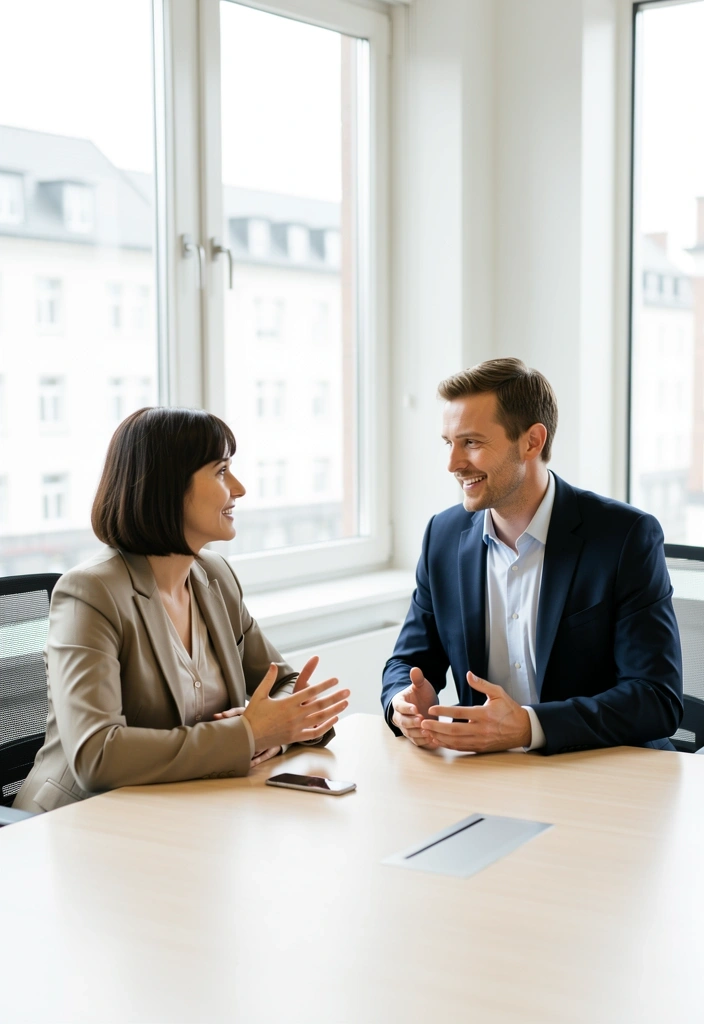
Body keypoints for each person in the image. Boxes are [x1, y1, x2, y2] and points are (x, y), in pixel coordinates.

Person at [15, 407, 349, 813]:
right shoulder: (91, 592)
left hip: (176, 810)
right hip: (80, 822)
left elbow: (284, 683)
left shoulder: (214, 576)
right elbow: (96, 755)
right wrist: (245, 733)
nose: (239, 489)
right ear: (169, 486)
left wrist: (271, 735)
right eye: (222, 471)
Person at [381, 358, 683, 755]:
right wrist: (403, 700)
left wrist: (528, 727)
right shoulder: (443, 536)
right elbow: (408, 660)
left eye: (471, 442)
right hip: (490, 773)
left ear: (532, 441)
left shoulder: (624, 537)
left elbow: (656, 698)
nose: (453, 463)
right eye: (448, 443)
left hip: (600, 770)